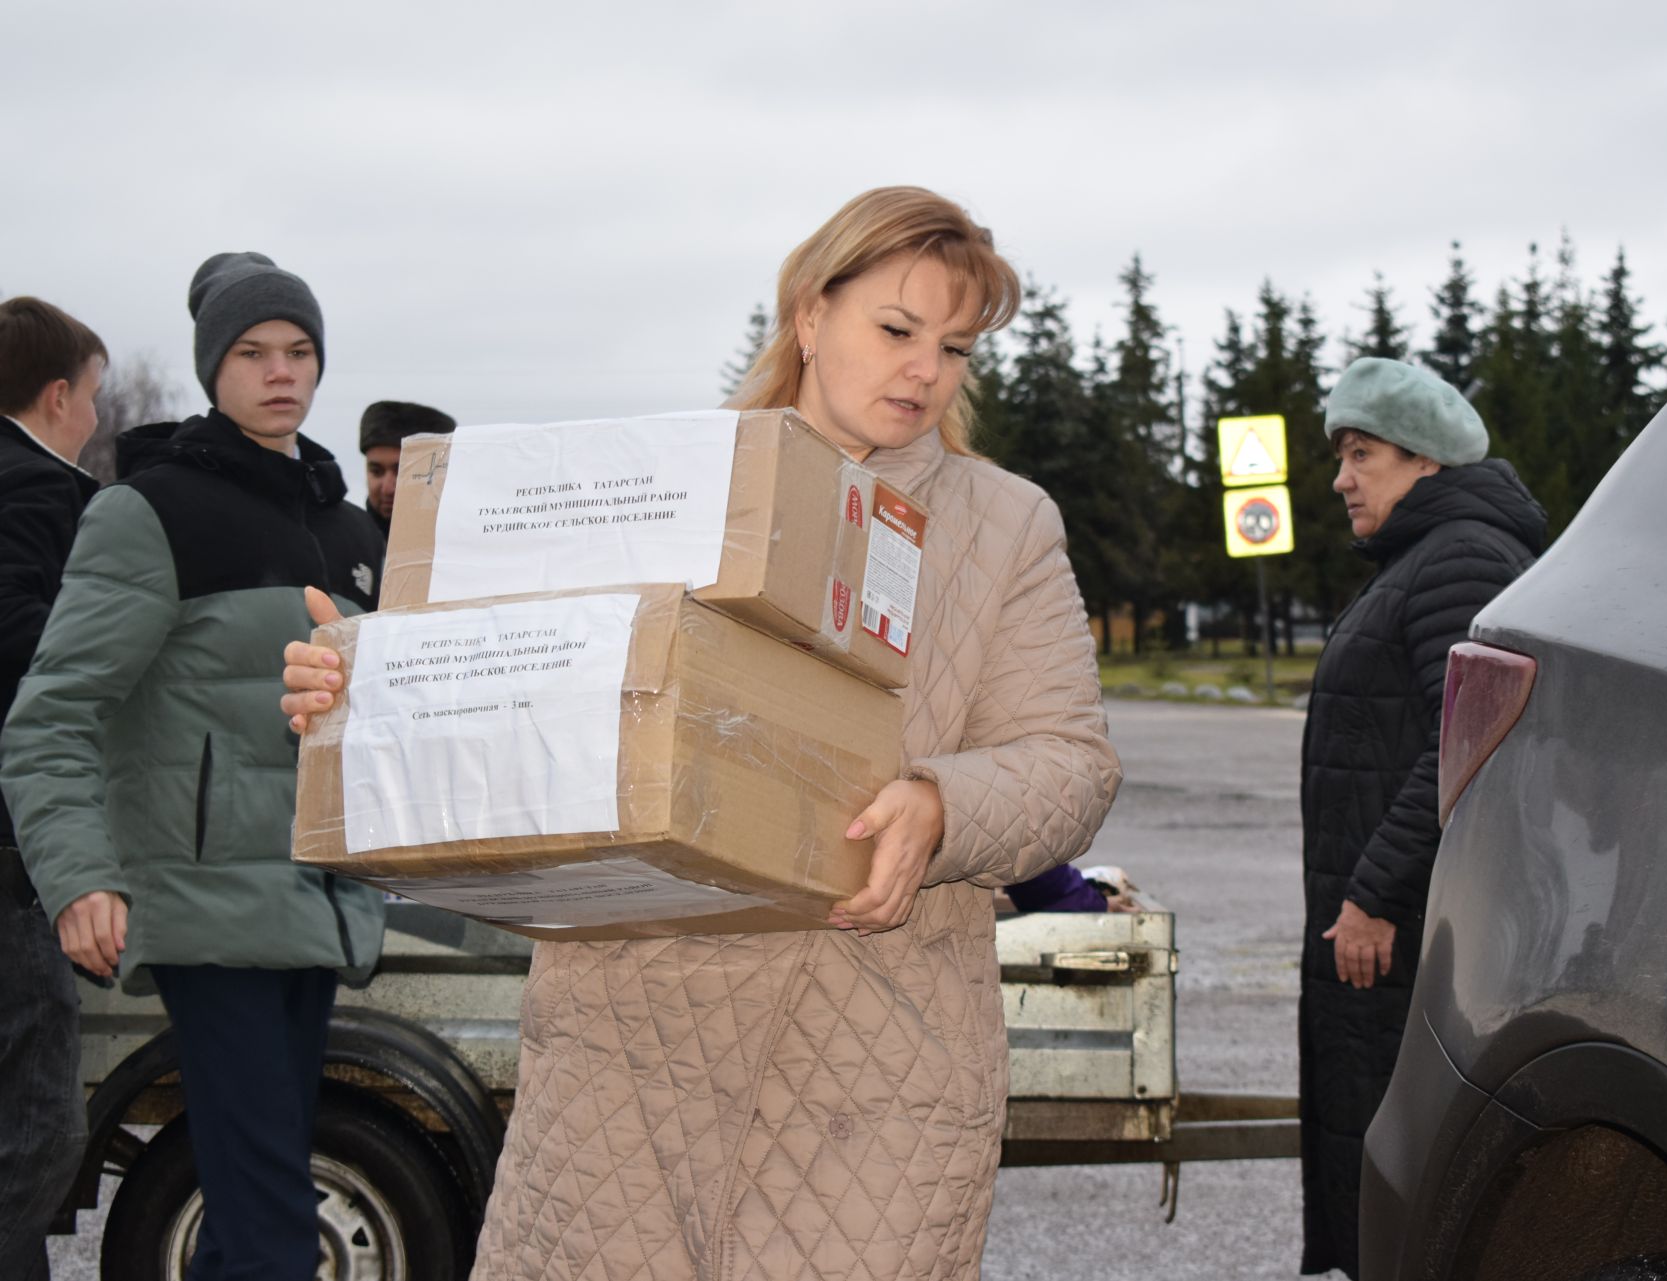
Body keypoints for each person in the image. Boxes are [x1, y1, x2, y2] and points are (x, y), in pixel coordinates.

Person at [283, 187, 1123, 1281]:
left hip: (871, 1068)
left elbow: (1071, 763)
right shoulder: (658, 485)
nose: (927, 369)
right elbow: (519, 694)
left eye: (957, 346)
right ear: (809, 317)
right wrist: (359, 688)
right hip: (624, 1057)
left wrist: (942, 805)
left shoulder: (1004, 525)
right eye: (898, 330)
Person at [1, 253, 387, 1281]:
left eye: (300, 351)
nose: (280, 372)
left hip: (318, 901)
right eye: (254, 352)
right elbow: (52, 713)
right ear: (213, 367)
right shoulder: (152, 511)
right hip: (202, 905)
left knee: (250, 1203)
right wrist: (80, 874)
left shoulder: (350, 533)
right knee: (269, 1225)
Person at [1297, 357, 1546, 1277]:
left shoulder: (1464, 558)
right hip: (1387, 932)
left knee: (1401, 1168)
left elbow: (1465, 739)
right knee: (1373, 1154)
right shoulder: (1421, 561)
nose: (1341, 477)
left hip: (1404, 933)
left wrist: (1375, 893)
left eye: (1361, 453)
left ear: (1427, 461)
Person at [0, 296, 106, 1281]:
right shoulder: (37, 489)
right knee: (39, 1128)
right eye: (94, 396)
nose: (96, 420)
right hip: (12, 851)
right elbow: (29, 647)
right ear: (59, 393)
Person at [359, 399, 454, 536]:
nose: (387, 488)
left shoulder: (465, 546)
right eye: (377, 472)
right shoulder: (345, 539)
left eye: (402, 472)